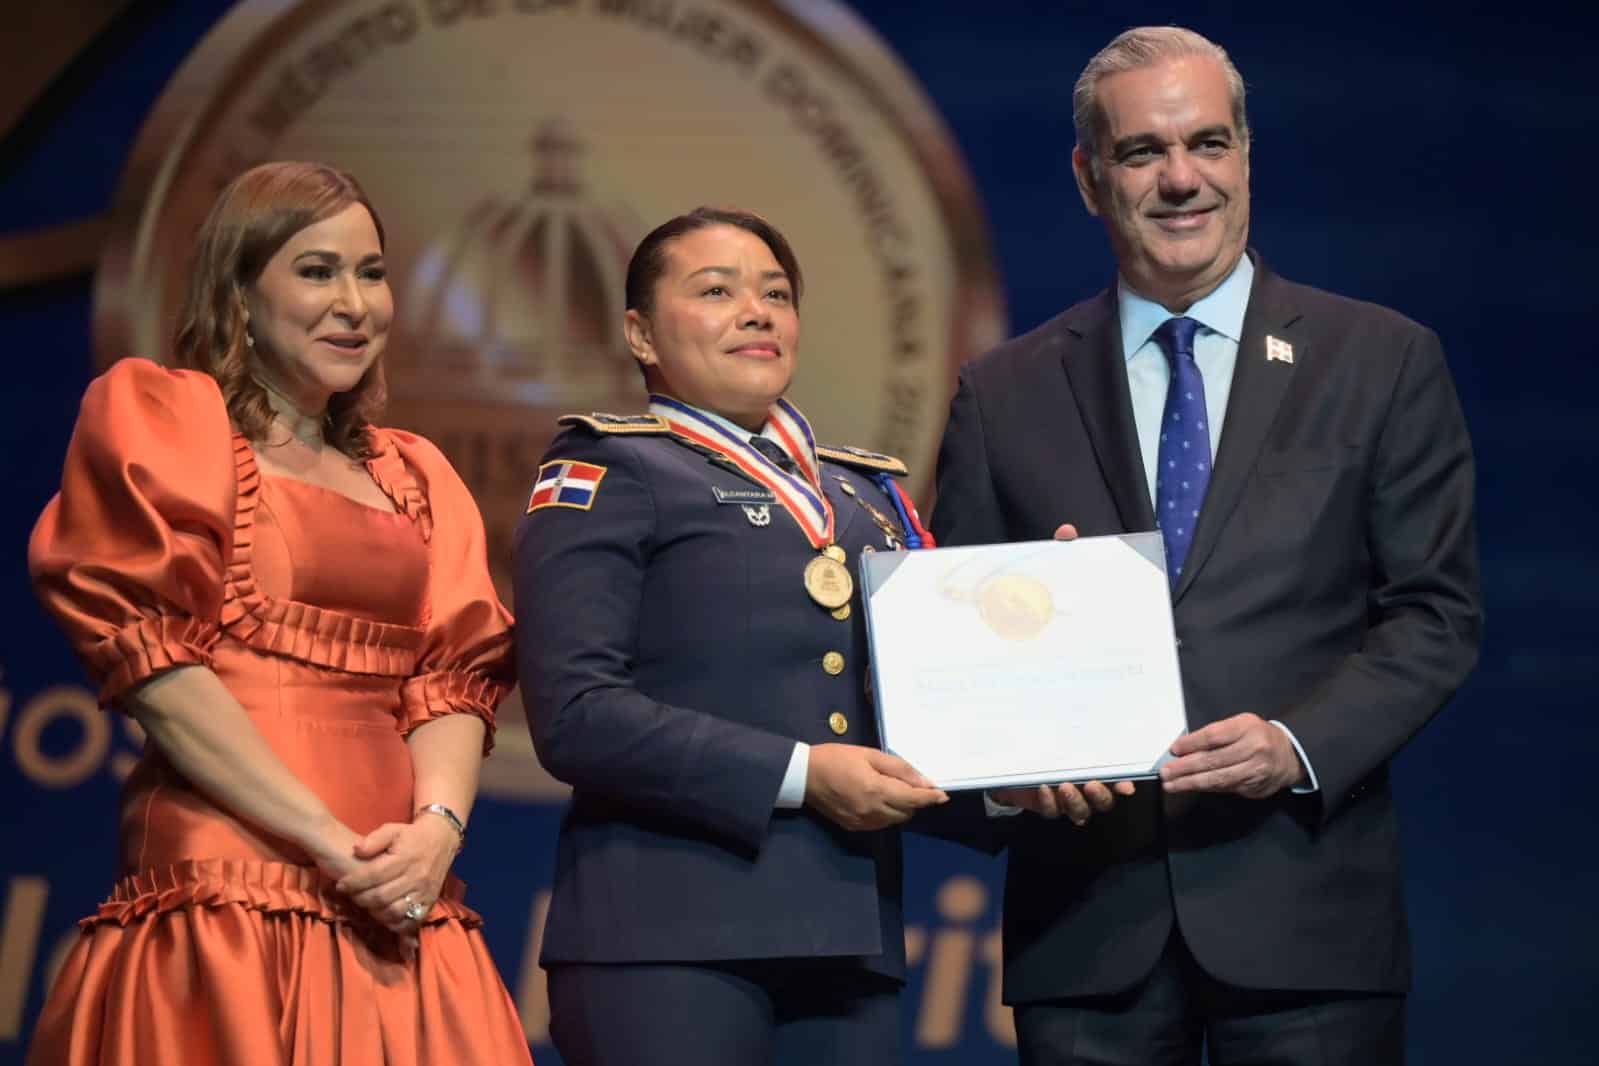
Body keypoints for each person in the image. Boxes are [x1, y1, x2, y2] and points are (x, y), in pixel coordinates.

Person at [931, 27, 1482, 1066]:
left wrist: (1297, 744)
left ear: (1245, 157)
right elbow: (958, 643)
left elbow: (1435, 613)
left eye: (1208, 144)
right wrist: (1012, 766)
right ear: (1091, 179)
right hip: (1087, 936)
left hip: (1311, 928)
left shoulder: (1383, 360)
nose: (1181, 179)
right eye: (1142, 152)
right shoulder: (1002, 394)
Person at [27, 162, 533, 1065]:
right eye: (316, 271)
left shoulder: (415, 473)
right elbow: (157, 668)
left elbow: (453, 681)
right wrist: (327, 842)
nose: (354, 303)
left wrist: (433, 834)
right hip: (230, 873)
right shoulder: (168, 423)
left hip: (397, 889)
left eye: (371, 273)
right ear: (241, 294)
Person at [512, 206, 948, 1065]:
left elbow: (928, 695)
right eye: (716, 291)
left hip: (847, 940)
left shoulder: (866, 500)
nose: (757, 312)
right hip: (666, 944)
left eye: (776, 294)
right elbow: (575, 715)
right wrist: (801, 776)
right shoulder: (607, 470)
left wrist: (1033, 636)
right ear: (640, 333)